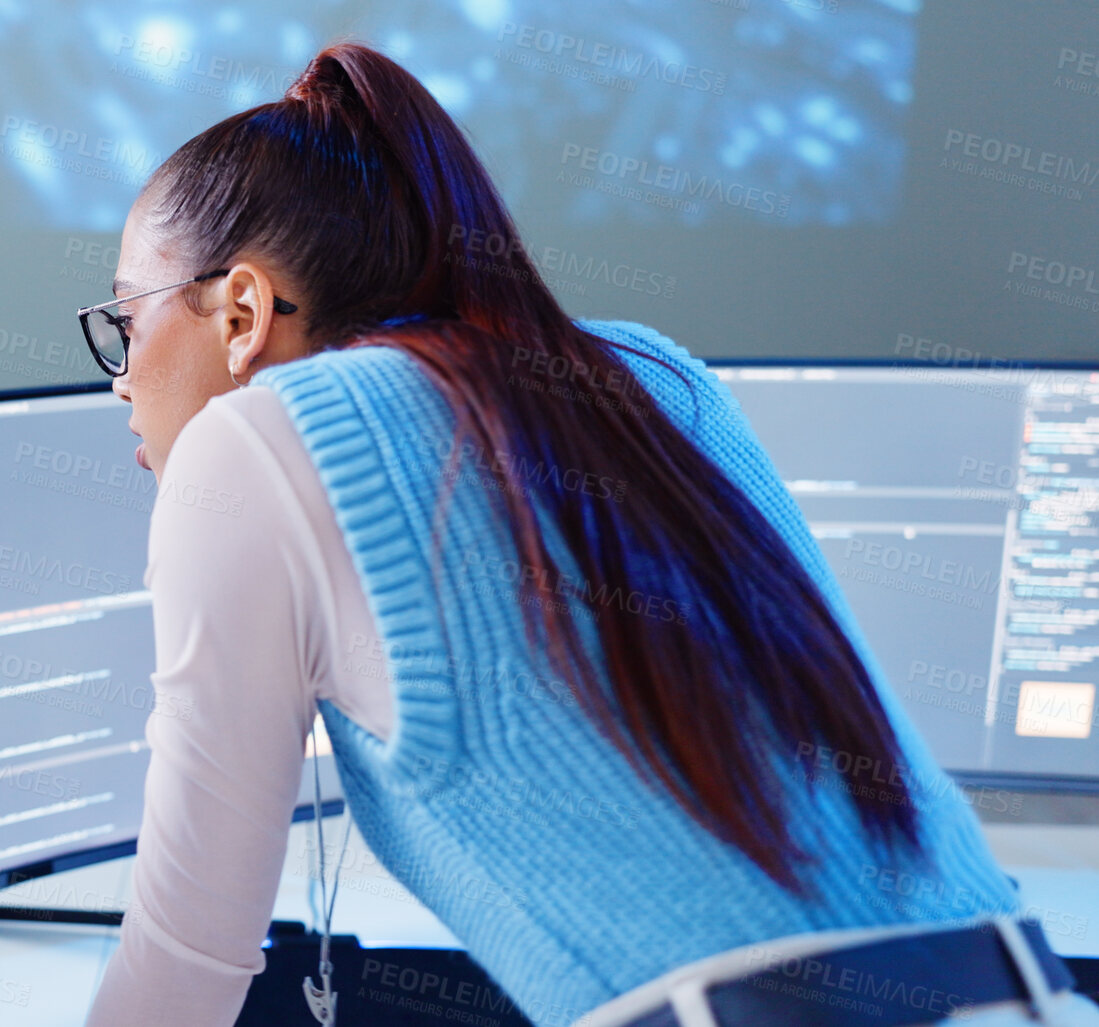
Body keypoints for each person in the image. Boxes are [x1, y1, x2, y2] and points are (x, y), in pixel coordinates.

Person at [74, 41, 1097, 1027]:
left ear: (242, 312)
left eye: (127, 320)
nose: (123, 377)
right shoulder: (651, 376)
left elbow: (185, 964)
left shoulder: (247, 447)